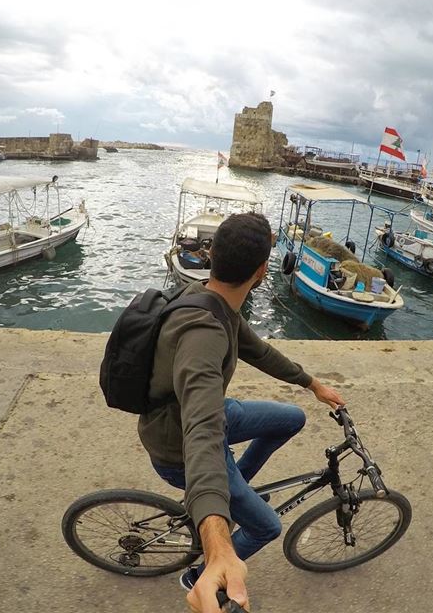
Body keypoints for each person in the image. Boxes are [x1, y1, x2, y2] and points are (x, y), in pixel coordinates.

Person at [138, 212, 344, 613]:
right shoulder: (203, 334)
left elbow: (258, 350)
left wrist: (312, 385)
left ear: (213, 255)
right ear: (263, 271)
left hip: (198, 416)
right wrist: (218, 550)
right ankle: (198, 573)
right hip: (180, 444)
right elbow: (200, 433)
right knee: (267, 526)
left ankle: (235, 489)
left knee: (291, 418)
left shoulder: (213, 301)